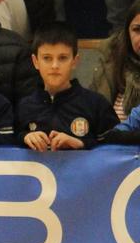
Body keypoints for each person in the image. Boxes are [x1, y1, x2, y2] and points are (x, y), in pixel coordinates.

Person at [18, 20, 119, 149]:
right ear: (35, 61)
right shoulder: (24, 106)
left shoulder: (96, 105)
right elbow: (6, 147)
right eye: (47, 58)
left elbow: (117, 148)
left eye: (63, 58)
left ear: (75, 61)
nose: (55, 66)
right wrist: (24, 138)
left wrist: (82, 144)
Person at [90, 0, 140, 121]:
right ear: (127, 32)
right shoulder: (111, 62)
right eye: (137, 30)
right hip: (109, 139)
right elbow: (91, 115)